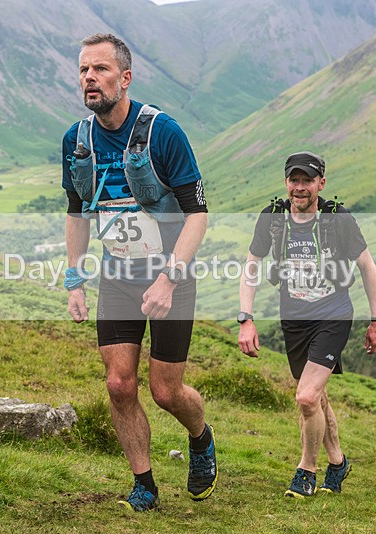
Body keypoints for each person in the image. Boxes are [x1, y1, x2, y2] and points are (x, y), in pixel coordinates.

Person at [61, 33, 215, 512]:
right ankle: (144, 482)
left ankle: (200, 435)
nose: (90, 77)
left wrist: (169, 278)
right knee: (118, 383)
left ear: (125, 78)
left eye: (101, 69)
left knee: (166, 390)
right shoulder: (76, 139)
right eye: (85, 69)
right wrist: (74, 279)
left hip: (170, 276)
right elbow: (75, 211)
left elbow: (198, 213)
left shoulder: (162, 132)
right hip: (118, 277)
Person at [238, 151, 376, 498]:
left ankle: (307, 470)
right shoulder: (273, 217)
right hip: (294, 316)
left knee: (305, 397)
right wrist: (246, 318)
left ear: (321, 183)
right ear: (286, 182)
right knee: (316, 396)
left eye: (307, 180)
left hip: (333, 313)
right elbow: (252, 266)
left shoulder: (338, 219)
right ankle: (338, 461)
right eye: (294, 180)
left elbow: (367, 267)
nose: (300, 187)